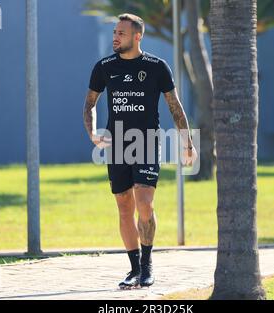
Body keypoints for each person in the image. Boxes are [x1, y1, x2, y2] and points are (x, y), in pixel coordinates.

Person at [83, 13, 197, 289]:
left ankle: (147, 267)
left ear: (137, 36)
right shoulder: (104, 67)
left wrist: (187, 142)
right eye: (114, 32)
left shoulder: (157, 67)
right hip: (117, 143)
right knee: (124, 207)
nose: (115, 37)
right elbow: (90, 104)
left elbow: (175, 106)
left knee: (144, 203)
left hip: (145, 141)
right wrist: (93, 133)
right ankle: (133, 269)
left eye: (121, 33)